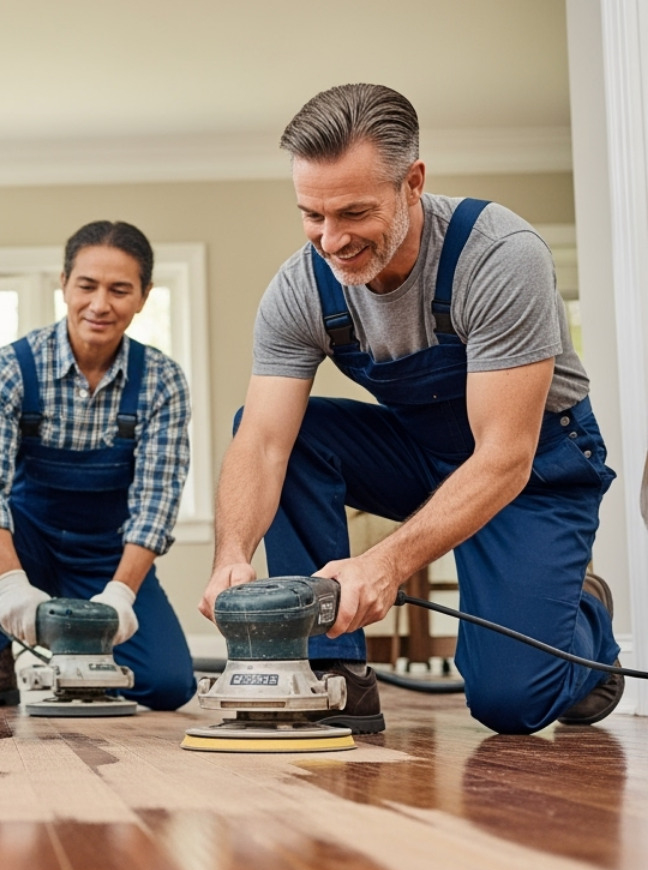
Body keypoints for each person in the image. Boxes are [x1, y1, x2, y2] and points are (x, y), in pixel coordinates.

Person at [200, 83, 619, 736]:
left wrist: (384, 565)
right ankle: (333, 671)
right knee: (279, 429)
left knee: (511, 702)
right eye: (313, 214)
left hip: (533, 471)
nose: (331, 240)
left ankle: (584, 616)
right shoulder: (299, 290)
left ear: (413, 182)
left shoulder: (500, 259)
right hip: (421, 455)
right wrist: (232, 554)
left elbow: (504, 458)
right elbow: (262, 443)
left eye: (353, 214)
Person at [0, 221, 196, 710]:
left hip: (105, 559)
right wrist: (11, 586)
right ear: (64, 284)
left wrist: (119, 595)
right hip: (27, 542)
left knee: (167, 686)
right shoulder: (11, 367)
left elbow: (156, 503)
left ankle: (83, 665)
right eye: (87, 286)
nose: (100, 305)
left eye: (120, 290)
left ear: (143, 297)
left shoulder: (161, 380)